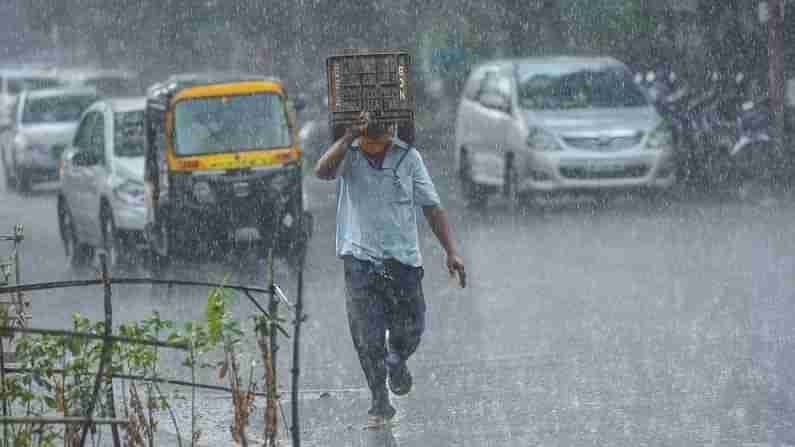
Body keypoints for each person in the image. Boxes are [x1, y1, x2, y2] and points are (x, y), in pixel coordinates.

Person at [314, 112, 466, 426]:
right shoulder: (350, 156)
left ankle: (397, 360)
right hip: (361, 261)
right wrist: (347, 138)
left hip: (403, 261)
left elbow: (432, 206)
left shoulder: (408, 158)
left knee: (412, 327)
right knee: (367, 338)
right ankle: (379, 401)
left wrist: (451, 251)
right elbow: (322, 171)